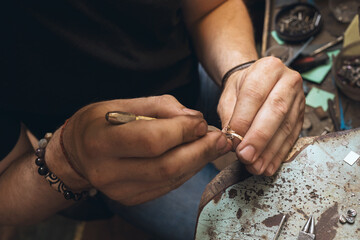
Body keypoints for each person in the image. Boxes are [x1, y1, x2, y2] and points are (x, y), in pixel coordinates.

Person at [0, 0, 305, 239]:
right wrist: (69, 159)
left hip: (195, 72)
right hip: (113, 165)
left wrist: (240, 70)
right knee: (239, 230)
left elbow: (211, 7)